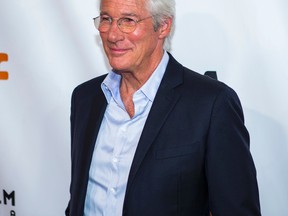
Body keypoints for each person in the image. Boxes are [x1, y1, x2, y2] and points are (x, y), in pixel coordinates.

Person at [65, 0, 261, 215]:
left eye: (128, 21)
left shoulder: (211, 104)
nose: (113, 35)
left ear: (163, 26)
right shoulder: (85, 98)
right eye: (106, 19)